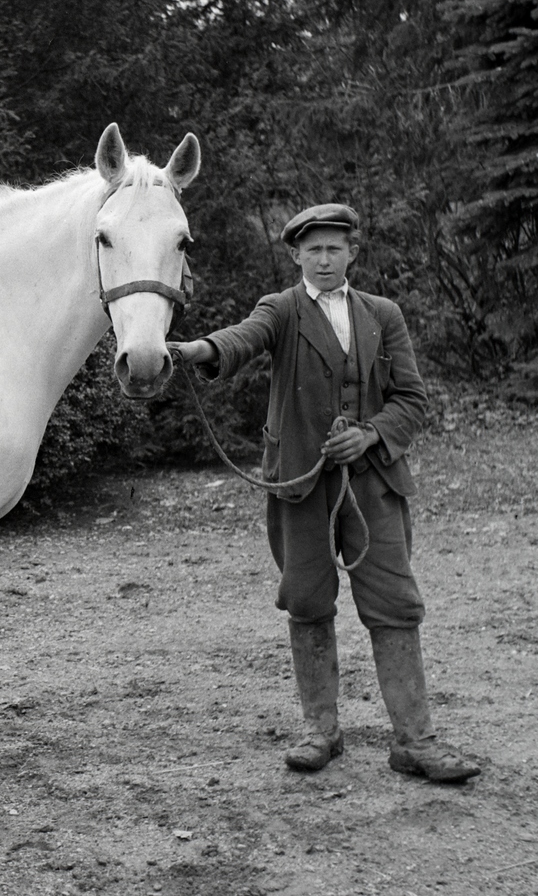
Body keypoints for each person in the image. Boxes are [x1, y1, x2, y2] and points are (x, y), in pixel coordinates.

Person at [169, 203, 480, 783]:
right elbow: (243, 339)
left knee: (396, 604)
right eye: (313, 249)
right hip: (300, 484)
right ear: (296, 256)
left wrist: (369, 436)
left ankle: (416, 741)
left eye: (335, 248)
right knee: (308, 600)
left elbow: (412, 400)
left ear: (352, 253)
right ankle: (321, 731)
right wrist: (196, 351)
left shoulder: (383, 315)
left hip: (375, 484)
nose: (325, 258)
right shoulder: (281, 310)